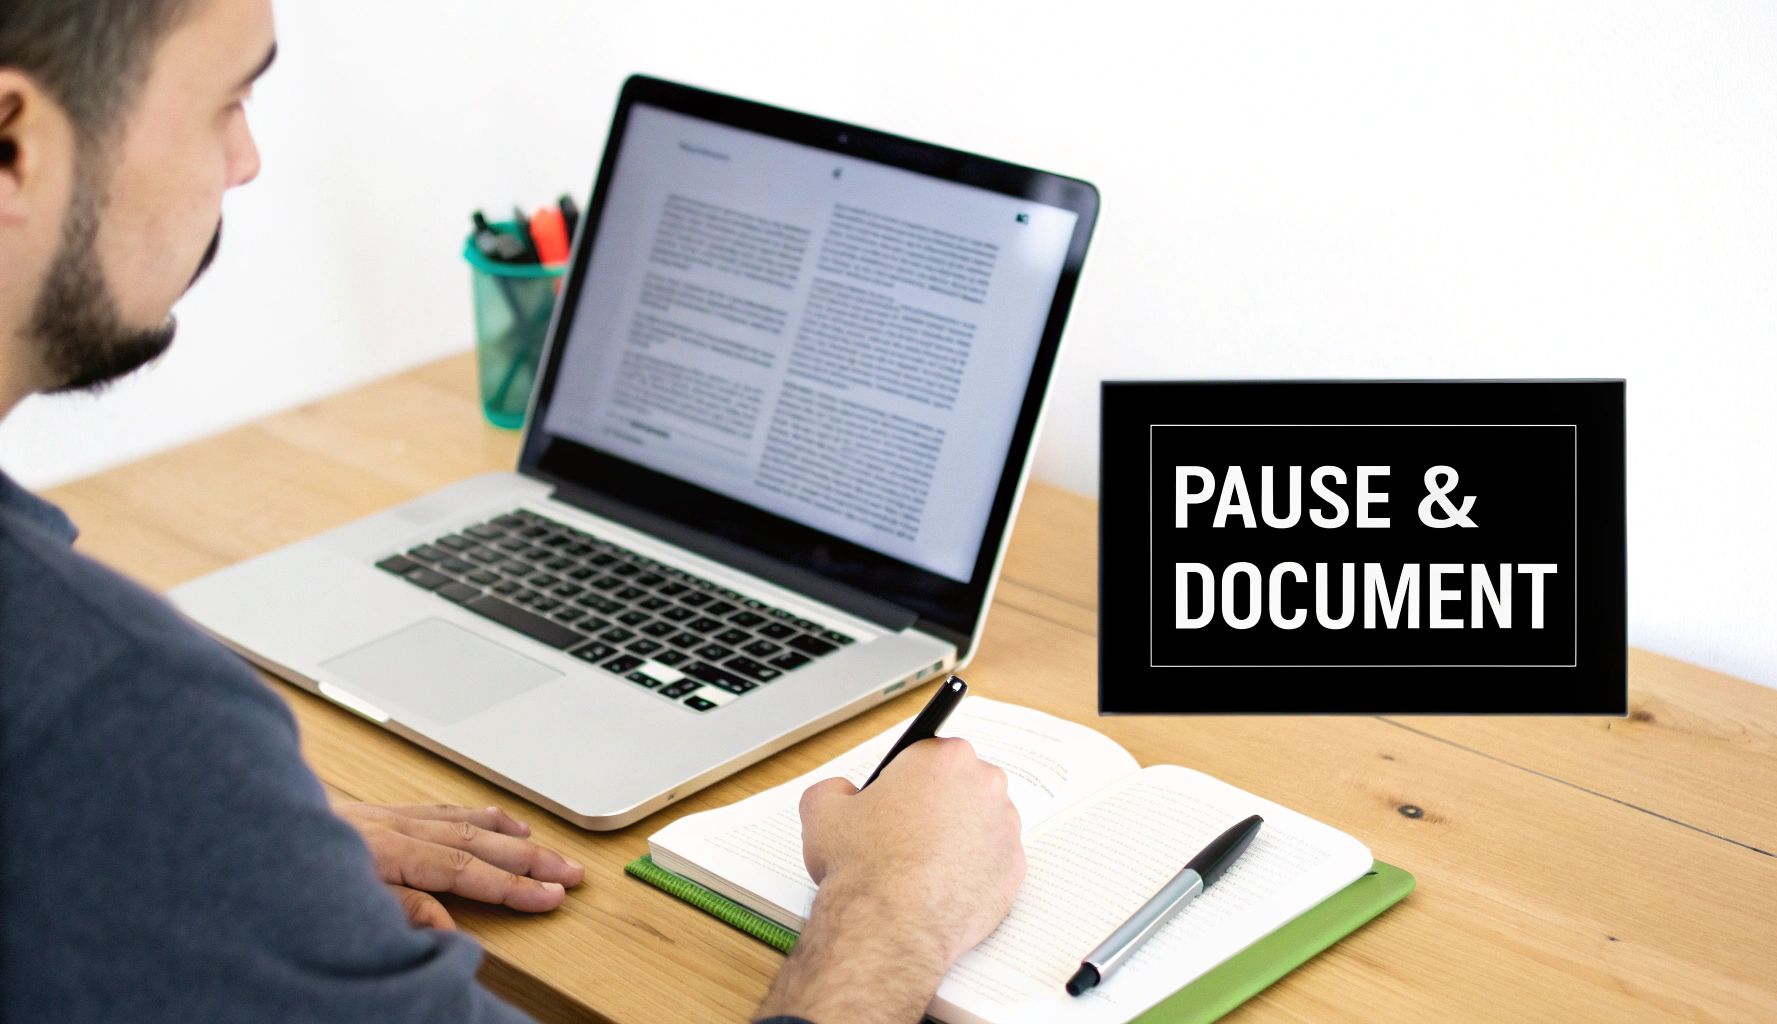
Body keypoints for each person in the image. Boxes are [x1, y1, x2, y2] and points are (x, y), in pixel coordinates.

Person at [0, 2, 1026, 1021]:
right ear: (12, 142)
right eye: (227, 99)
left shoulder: (111, 733)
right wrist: (893, 904)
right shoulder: (112, 708)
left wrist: (244, 838)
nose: (248, 159)